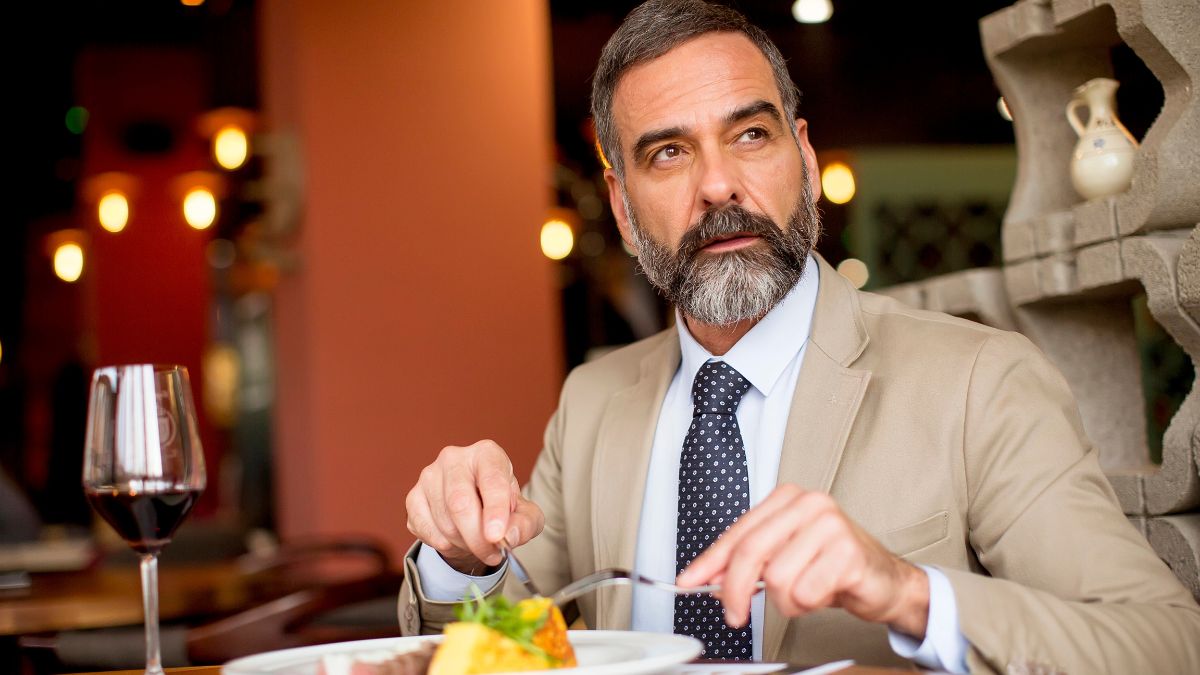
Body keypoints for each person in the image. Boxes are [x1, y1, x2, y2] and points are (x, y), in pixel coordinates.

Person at [398, 1, 1200, 671]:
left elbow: (1166, 643)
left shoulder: (979, 379)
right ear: (619, 203)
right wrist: (466, 558)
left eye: (751, 135)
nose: (719, 185)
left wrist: (909, 591)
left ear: (806, 157)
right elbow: (500, 644)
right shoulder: (593, 399)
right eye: (669, 152)